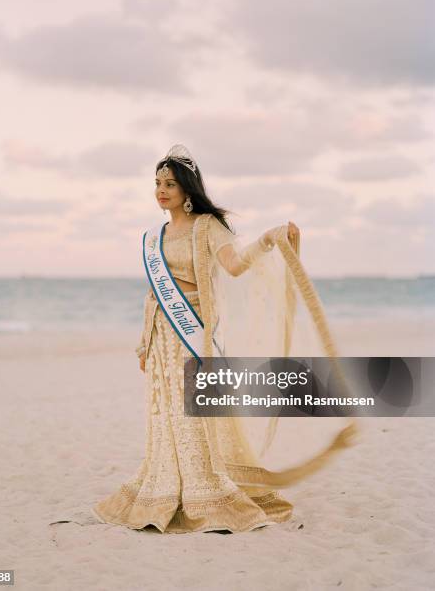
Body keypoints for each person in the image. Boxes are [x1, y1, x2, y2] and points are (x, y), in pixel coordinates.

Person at [91, 144, 357, 534]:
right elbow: (153, 293)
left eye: (169, 184)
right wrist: (142, 342)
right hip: (160, 334)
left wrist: (269, 239)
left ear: (187, 190)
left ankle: (205, 492)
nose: (161, 191)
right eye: (157, 184)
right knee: (164, 414)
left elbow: (234, 266)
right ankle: (169, 489)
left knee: (194, 417)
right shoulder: (155, 235)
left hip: (192, 333)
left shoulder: (207, 227)